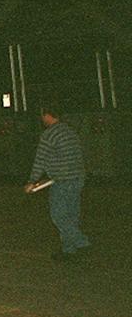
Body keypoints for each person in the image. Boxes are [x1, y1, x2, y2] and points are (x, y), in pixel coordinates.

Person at [26, 102, 92, 261]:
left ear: (46, 115)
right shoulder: (70, 131)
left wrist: (32, 180)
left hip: (62, 180)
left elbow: (40, 160)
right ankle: (69, 250)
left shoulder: (49, 135)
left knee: (59, 216)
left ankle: (81, 242)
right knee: (71, 215)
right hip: (77, 178)